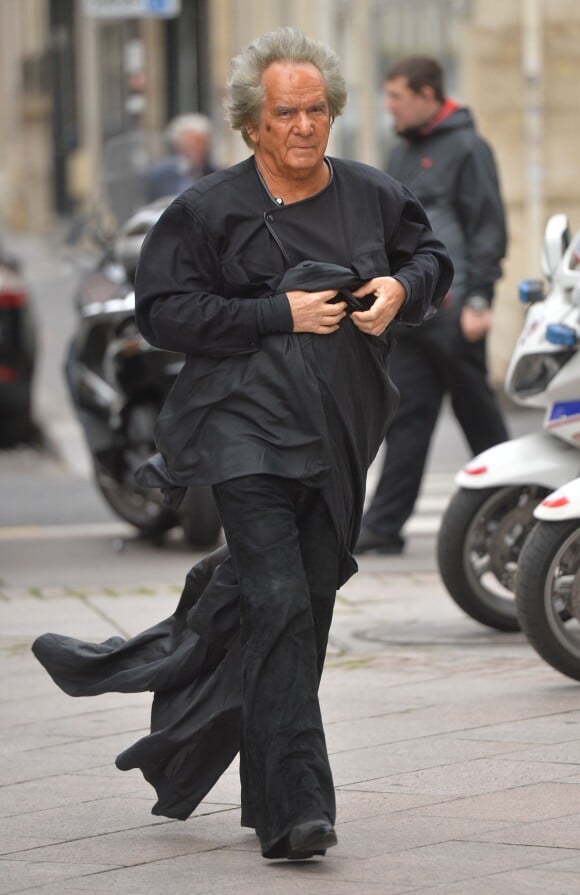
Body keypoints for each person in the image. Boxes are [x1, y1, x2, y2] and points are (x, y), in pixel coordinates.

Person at [32, 29, 452, 863]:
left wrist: (404, 288)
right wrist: (275, 314)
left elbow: (431, 254)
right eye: (285, 113)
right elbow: (164, 314)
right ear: (251, 124)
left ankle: (169, 683)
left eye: (317, 111)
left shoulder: (372, 193)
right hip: (242, 432)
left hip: (338, 433)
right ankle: (300, 808)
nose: (304, 126)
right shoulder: (205, 211)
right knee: (278, 600)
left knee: (302, 607)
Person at [356, 56, 509, 555]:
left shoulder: (468, 148)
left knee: (480, 419)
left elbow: (487, 226)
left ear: (427, 95)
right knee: (407, 417)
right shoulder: (402, 154)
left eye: (397, 96)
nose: (389, 106)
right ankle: (383, 526)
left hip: (456, 309)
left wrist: (480, 296)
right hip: (413, 309)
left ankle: (518, 513)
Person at [146, 113, 216, 201]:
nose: (196, 150)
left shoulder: (215, 174)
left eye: (200, 144)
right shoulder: (160, 175)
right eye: (190, 145)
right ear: (178, 145)